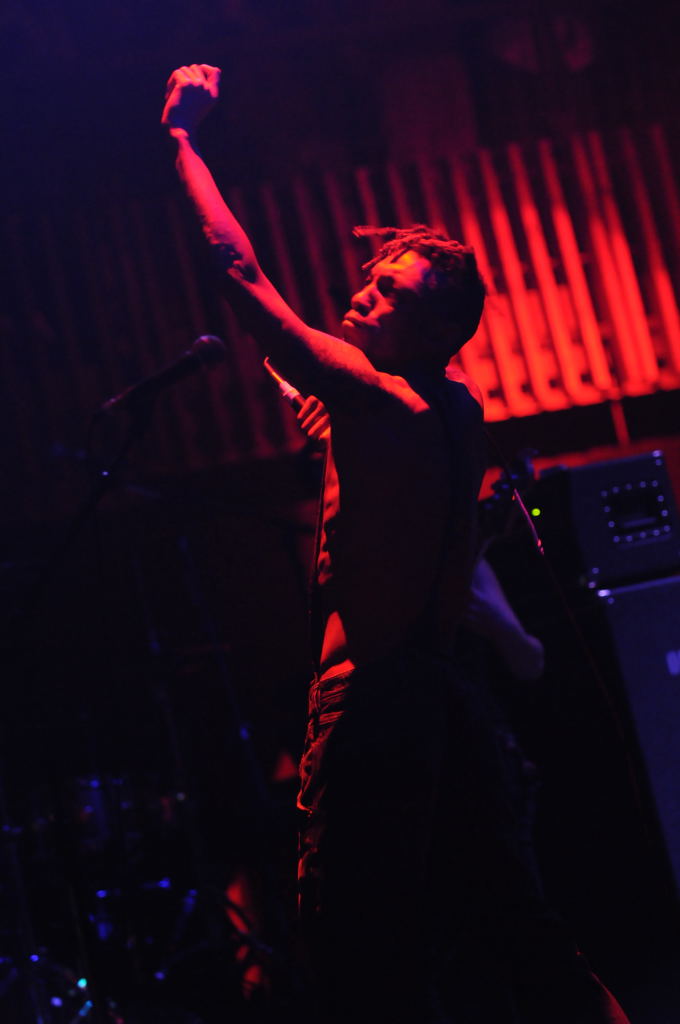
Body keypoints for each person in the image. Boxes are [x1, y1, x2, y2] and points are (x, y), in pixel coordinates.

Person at [160, 64, 629, 1023]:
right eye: (372, 280)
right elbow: (364, 443)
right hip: (445, 700)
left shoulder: (378, 398)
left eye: (392, 294)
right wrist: (317, 392)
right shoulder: (453, 406)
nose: (364, 295)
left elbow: (240, 273)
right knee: (523, 934)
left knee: (354, 953)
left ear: (437, 327)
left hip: (372, 707)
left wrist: (181, 141)